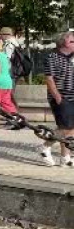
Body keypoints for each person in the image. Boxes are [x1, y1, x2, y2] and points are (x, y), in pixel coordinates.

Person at [40, 31, 74, 167]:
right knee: (66, 127)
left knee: (70, 128)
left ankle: (65, 157)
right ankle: (45, 146)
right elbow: (49, 78)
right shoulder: (51, 57)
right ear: (63, 43)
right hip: (61, 97)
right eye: (72, 41)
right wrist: (58, 97)